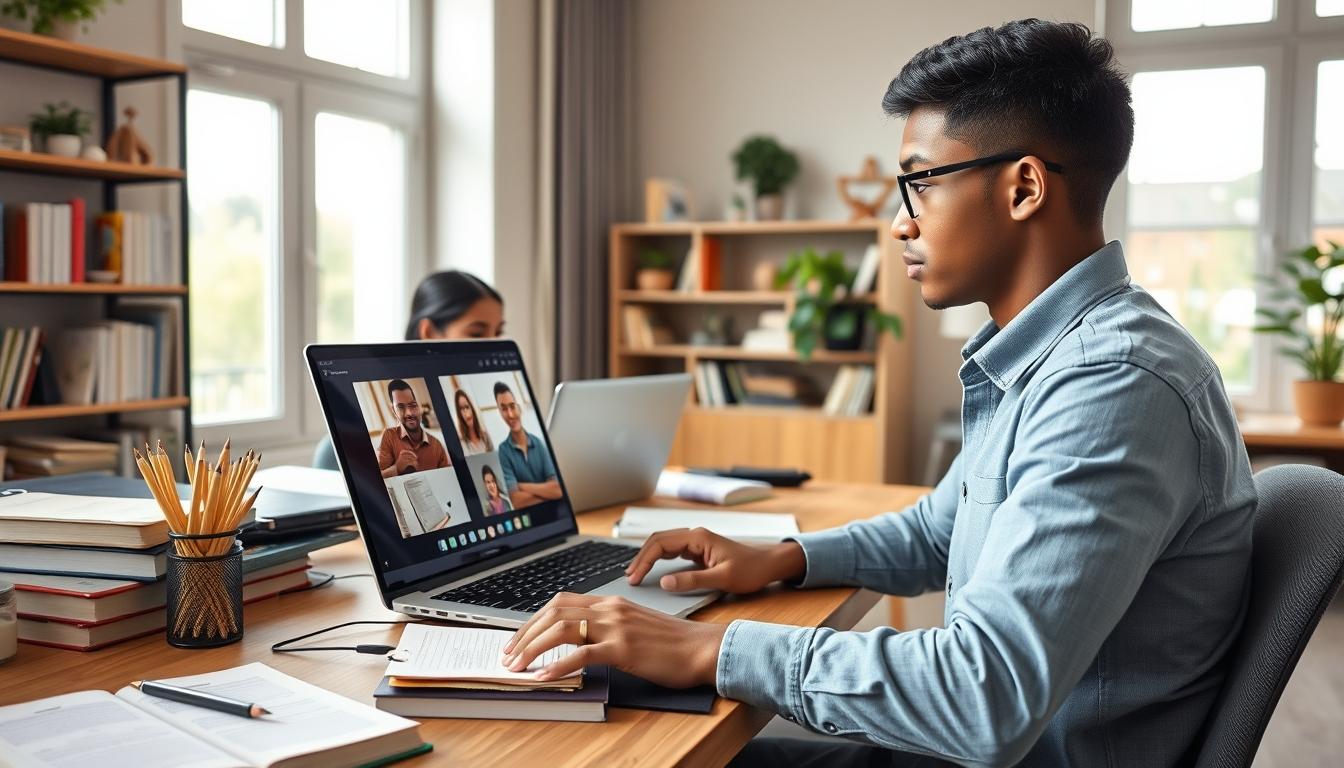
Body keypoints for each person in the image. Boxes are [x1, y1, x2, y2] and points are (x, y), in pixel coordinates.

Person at [498, 19, 1255, 767]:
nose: (898, 222)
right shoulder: (1057, 358)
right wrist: (781, 558)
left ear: (1023, 187)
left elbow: (981, 696)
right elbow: (939, 532)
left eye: (920, 182)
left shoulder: (1110, 383)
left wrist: (709, 646)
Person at [312, 270, 505, 470]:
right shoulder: (349, 449)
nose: (493, 345)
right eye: (476, 333)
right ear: (429, 333)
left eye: (499, 332)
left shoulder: (474, 435)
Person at [493, 381, 562, 507]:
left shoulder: (539, 443)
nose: (510, 414)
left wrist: (522, 486)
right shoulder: (503, 451)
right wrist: (547, 492)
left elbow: (557, 490)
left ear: (519, 407)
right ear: (500, 413)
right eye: (504, 409)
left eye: (512, 406)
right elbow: (517, 501)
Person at [376, 379, 450, 478]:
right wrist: (397, 468)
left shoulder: (436, 445)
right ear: (393, 410)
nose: (409, 413)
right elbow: (378, 478)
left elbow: (448, 478)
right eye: (401, 407)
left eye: (412, 405)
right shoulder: (389, 437)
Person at [454, 388, 494, 455]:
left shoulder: (485, 436)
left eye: (467, 407)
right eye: (461, 409)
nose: (466, 412)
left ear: (471, 408)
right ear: (459, 414)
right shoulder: (460, 443)